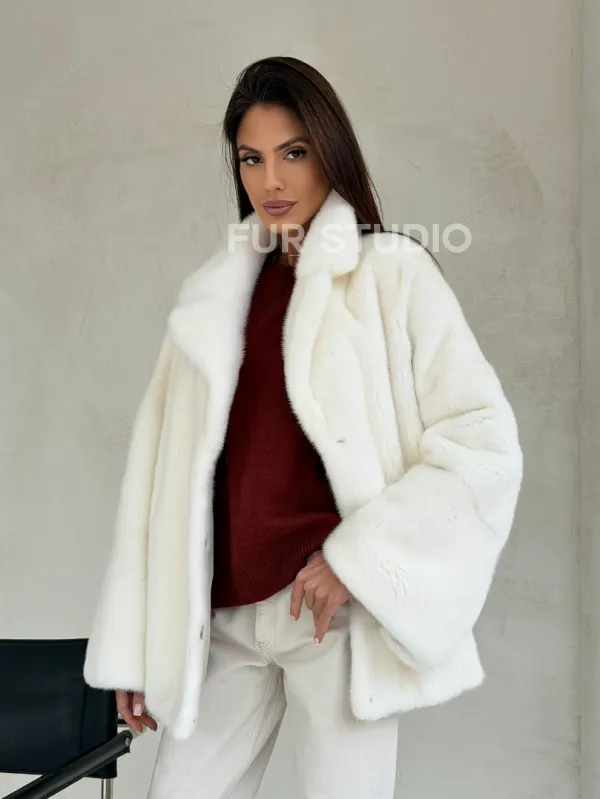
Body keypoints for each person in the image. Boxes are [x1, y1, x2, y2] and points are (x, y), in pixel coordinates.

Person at [83, 55, 524, 798]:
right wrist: (136, 643)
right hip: (221, 617)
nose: (272, 181)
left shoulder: (392, 275)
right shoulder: (212, 298)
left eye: (293, 152)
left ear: (330, 151)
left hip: (330, 613)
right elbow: (159, 477)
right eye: (251, 158)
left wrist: (358, 562)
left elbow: (481, 443)